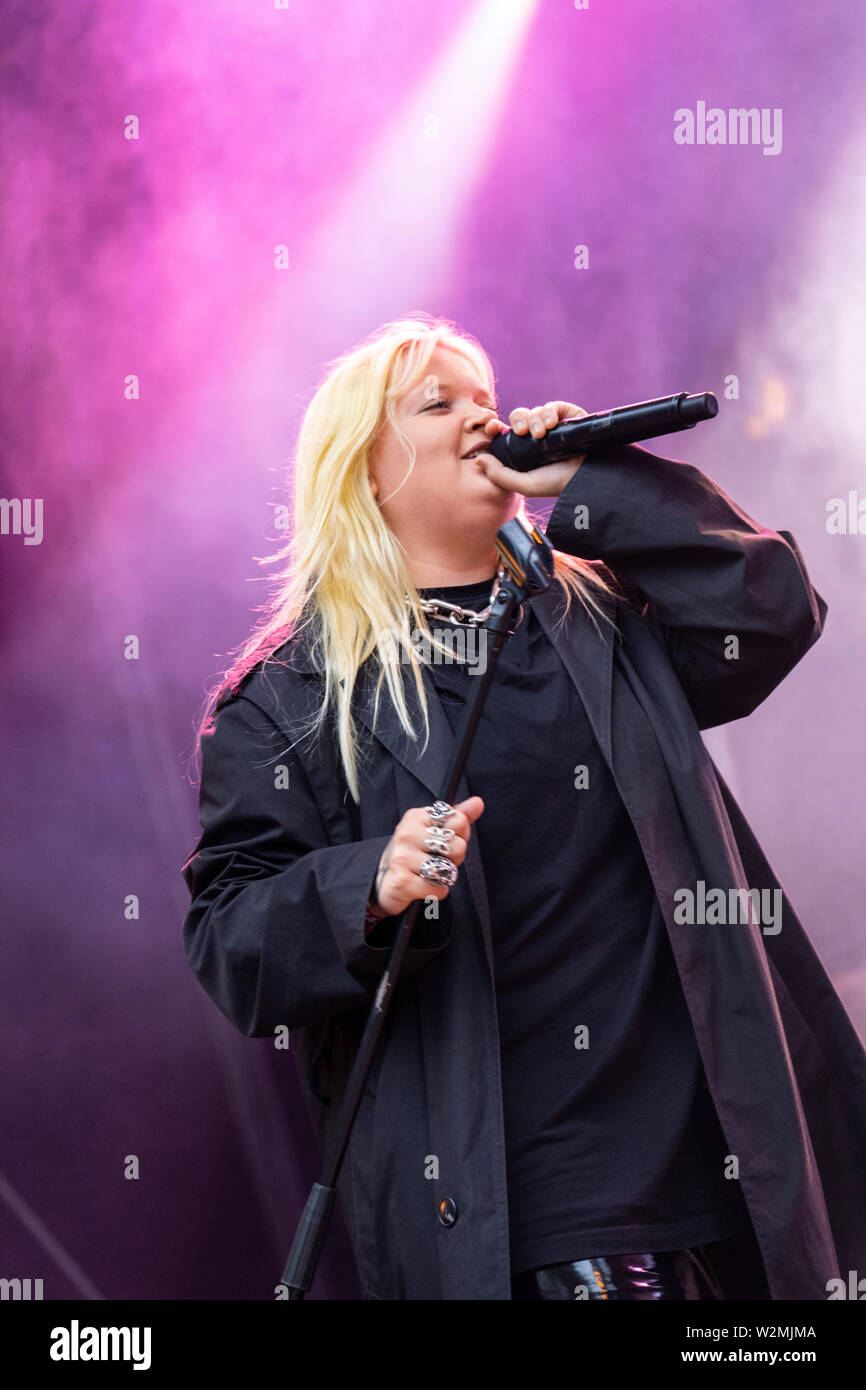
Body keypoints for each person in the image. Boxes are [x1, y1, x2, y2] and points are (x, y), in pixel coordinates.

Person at [181, 313, 866, 1301]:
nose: (479, 416)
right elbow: (229, 937)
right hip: (529, 1218)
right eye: (437, 402)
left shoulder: (606, 620)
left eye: (484, 399)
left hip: (726, 1197)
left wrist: (602, 484)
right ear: (365, 471)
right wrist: (364, 885)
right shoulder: (293, 698)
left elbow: (768, 609)